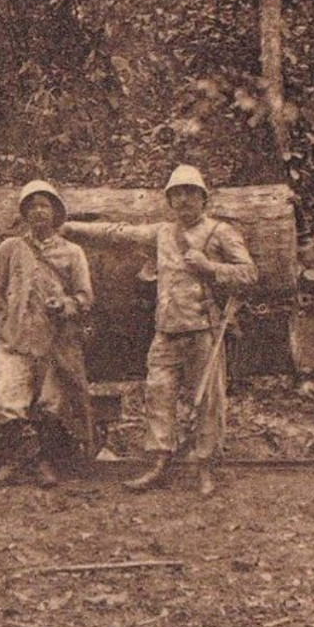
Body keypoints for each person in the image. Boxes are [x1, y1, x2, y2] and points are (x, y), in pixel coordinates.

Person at [61, 165, 257, 496]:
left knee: (209, 401)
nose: (183, 201)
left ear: (202, 198)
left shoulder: (219, 232)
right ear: (170, 201)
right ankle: (159, 463)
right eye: (176, 195)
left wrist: (210, 267)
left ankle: (205, 467)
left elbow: (250, 274)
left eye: (190, 194)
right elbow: (118, 232)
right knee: (158, 395)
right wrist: (69, 228)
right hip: (166, 331)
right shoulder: (163, 233)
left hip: (204, 329)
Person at [0, 180, 94, 489]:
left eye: (45, 205)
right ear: (25, 214)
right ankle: (15, 463)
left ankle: (44, 465)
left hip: (56, 343)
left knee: (51, 403)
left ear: (56, 213)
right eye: (32, 206)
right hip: (15, 341)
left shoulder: (72, 252)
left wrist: (64, 305)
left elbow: (85, 297)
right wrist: (10, 312)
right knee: (6, 402)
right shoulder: (10, 249)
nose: (38, 211)